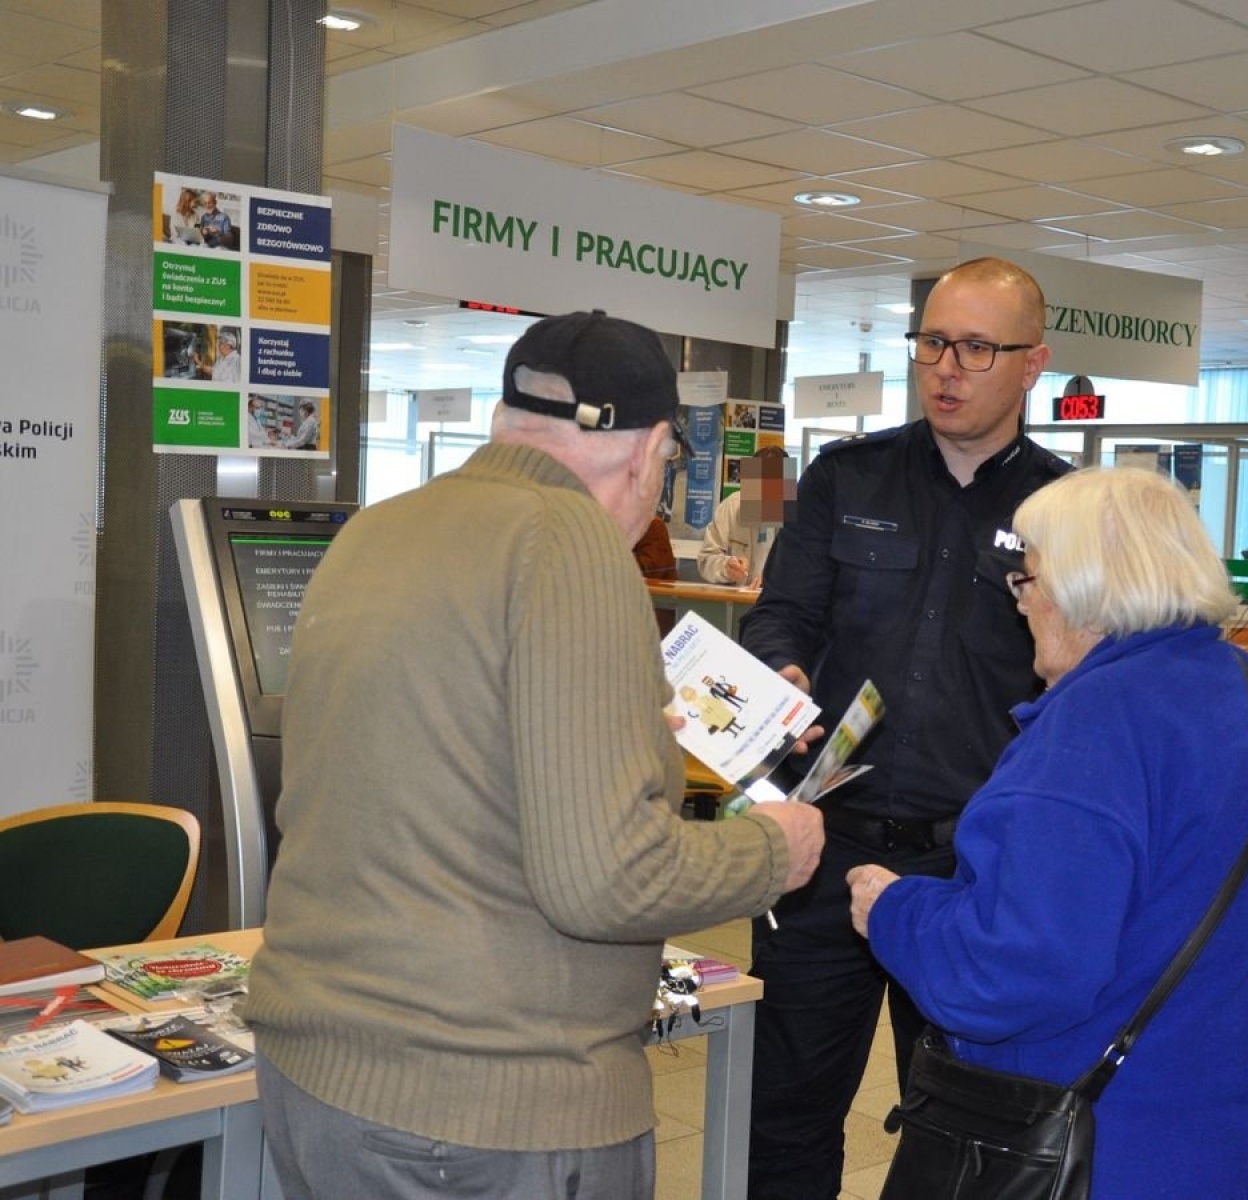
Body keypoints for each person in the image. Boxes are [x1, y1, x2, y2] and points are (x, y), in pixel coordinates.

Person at [245, 310, 825, 1200]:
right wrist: (773, 851)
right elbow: (607, 881)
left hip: (319, 1078)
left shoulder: (375, 529)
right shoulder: (572, 541)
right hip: (488, 1113)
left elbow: (420, 763)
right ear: (652, 449)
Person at [846, 467, 1248, 1199]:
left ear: (1082, 591)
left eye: (1029, 580)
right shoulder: (1241, 687)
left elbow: (1006, 976)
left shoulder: (1092, 727)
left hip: (1118, 1152)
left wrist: (894, 910)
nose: (1021, 605)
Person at [739, 256, 1069, 1198]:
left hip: (973, 872)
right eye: (932, 342)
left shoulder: (1065, 513)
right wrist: (783, 669)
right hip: (823, 852)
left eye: (976, 347)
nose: (946, 368)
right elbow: (781, 615)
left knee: (966, 1129)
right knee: (785, 1115)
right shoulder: (848, 478)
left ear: (1032, 362)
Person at [696, 445, 788, 586]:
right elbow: (706, 560)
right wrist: (726, 567)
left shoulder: (802, 516)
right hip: (736, 601)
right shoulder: (731, 506)